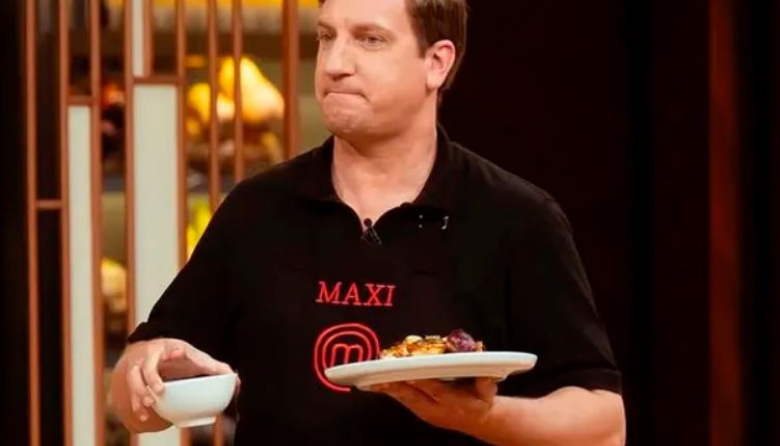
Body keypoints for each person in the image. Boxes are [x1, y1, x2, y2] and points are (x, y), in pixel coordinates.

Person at [109, 0, 626, 444]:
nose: (335, 64)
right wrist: (145, 369)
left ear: (437, 63)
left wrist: (481, 417)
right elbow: (135, 408)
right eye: (326, 37)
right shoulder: (257, 209)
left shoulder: (516, 218)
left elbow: (605, 427)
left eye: (369, 40)